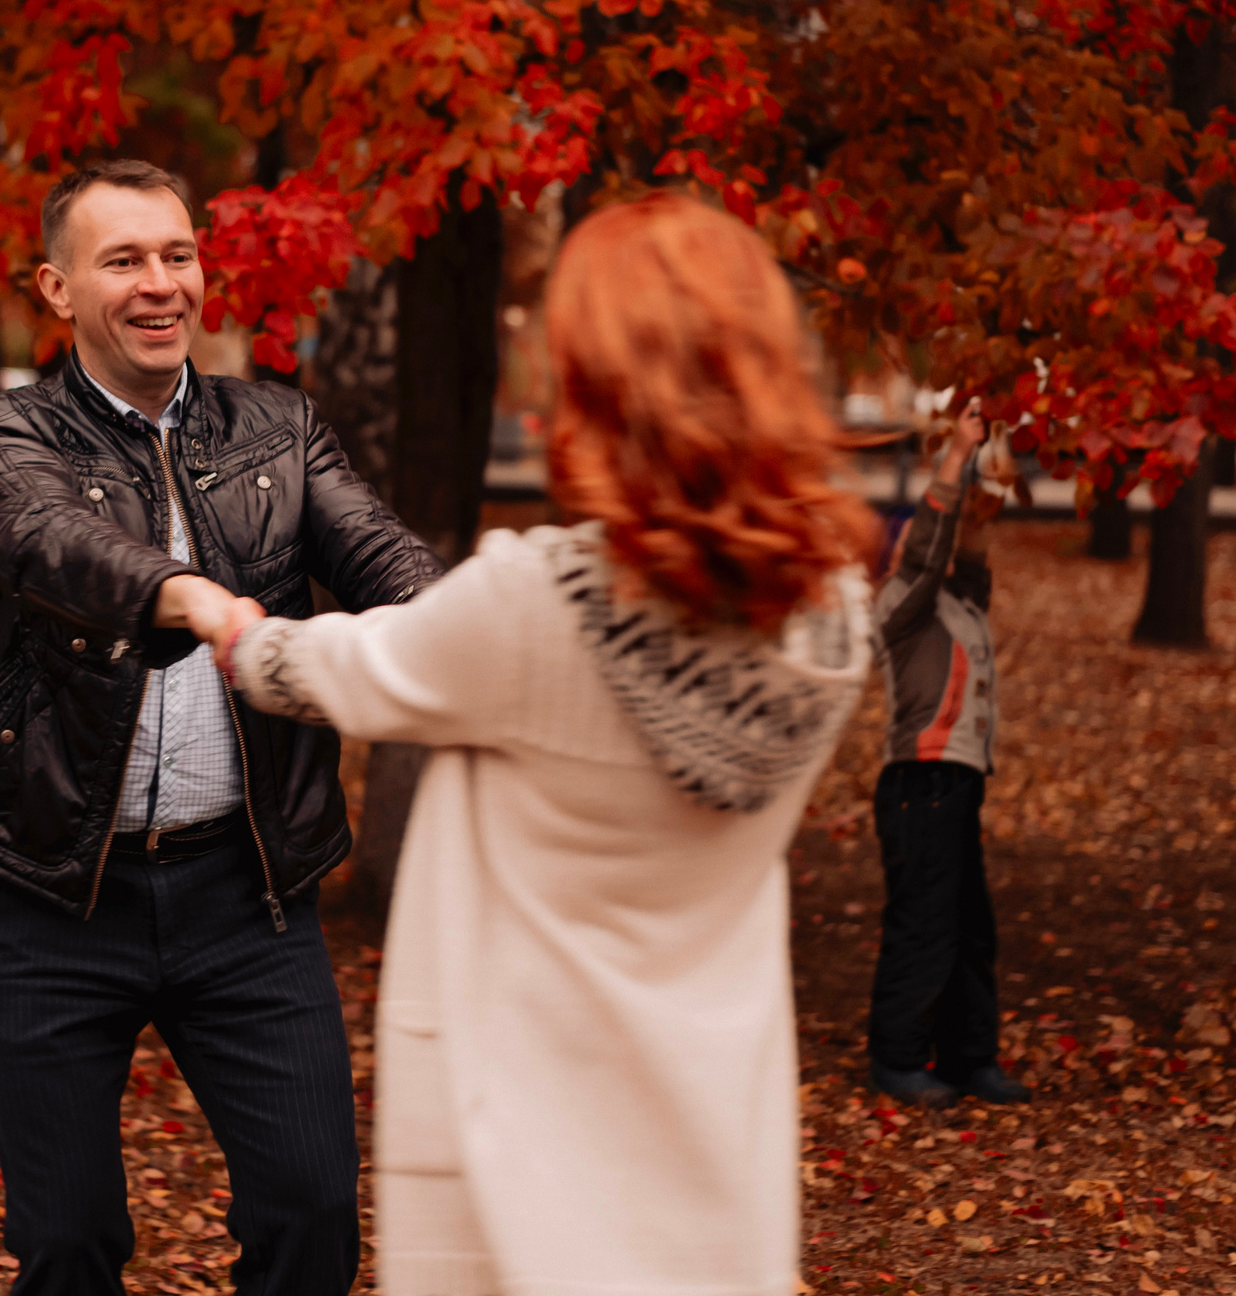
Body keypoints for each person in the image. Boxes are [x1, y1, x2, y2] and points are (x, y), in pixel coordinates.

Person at [206, 194, 878, 1296]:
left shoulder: (541, 604)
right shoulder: (833, 620)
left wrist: (236, 630)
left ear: (602, 382)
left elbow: (346, 669)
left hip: (524, 1166)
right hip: (712, 1161)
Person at [0, 155, 445, 1296]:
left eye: (178, 254)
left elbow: (394, 569)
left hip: (246, 894)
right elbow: (49, 542)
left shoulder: (280, 426)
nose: (160, 284)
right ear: (55, 289)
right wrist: (190, 595)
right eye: (122, 260)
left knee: (311, 1217)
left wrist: (502, 632)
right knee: (68, 1243)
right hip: (52, 890)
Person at [862, 400, 1030, 1109]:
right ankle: (897, 1057)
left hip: (957, 786)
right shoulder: (903, 604)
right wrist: (955, 456)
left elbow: (967, 545)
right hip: (919, 782)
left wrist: (992, 464)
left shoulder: (959, 602)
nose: (939, 545)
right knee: (924, 920)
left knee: (968, 926)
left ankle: (970, 1056)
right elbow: (932, 540)